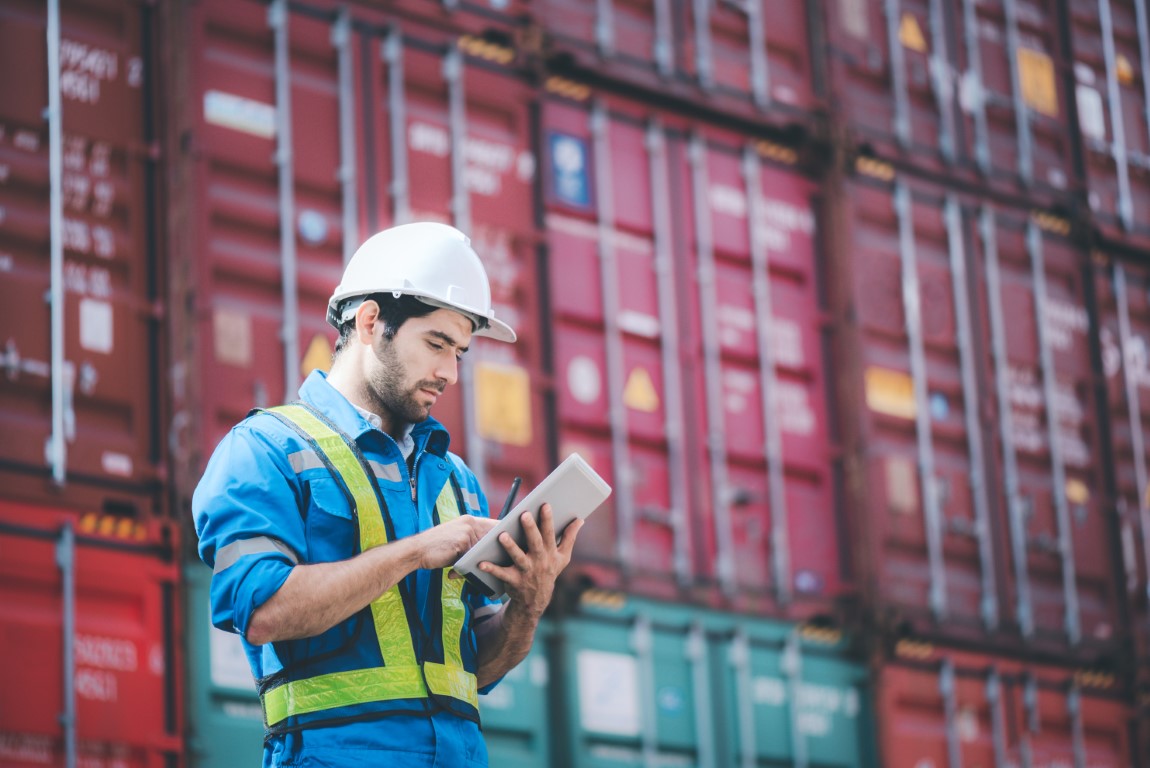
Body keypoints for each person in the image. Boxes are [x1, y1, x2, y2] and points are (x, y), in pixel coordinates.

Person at [192, 222, 583, 767]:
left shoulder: (455, 480)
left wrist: (530, 602)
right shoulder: (265, 449)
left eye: (460, 354)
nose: (449, 372)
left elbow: (474, 670)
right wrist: (418, 550)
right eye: (436, 344)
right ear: (372, 321)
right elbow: (261, 609)